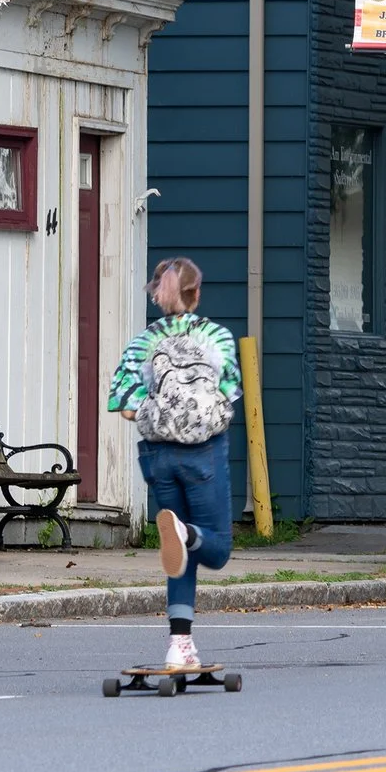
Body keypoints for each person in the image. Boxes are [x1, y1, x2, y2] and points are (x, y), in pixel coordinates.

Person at [108, 256, 241, 671]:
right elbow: (229, 394)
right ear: (195, 293)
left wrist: (158, 410)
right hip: (203, 455)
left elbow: (123, 404)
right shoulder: (217, 337)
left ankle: (179, 645)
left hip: (158, 458)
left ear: (158, 296)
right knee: (216, 548)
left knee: (178, 553)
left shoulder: (143, 343)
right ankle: (185, 532)